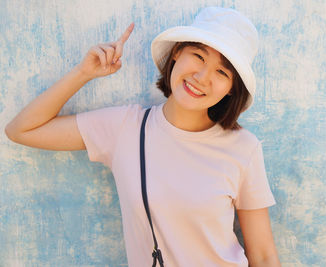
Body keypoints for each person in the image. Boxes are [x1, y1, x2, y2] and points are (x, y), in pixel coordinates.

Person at [5, 6, 281, 267]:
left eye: (222, 72)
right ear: (177, 53)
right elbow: (22, 130)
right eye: (198, 56)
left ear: (232, 89)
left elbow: (264, 255)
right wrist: (84, 73)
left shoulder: (243, 148)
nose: (202, 76)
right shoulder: (125, 127)